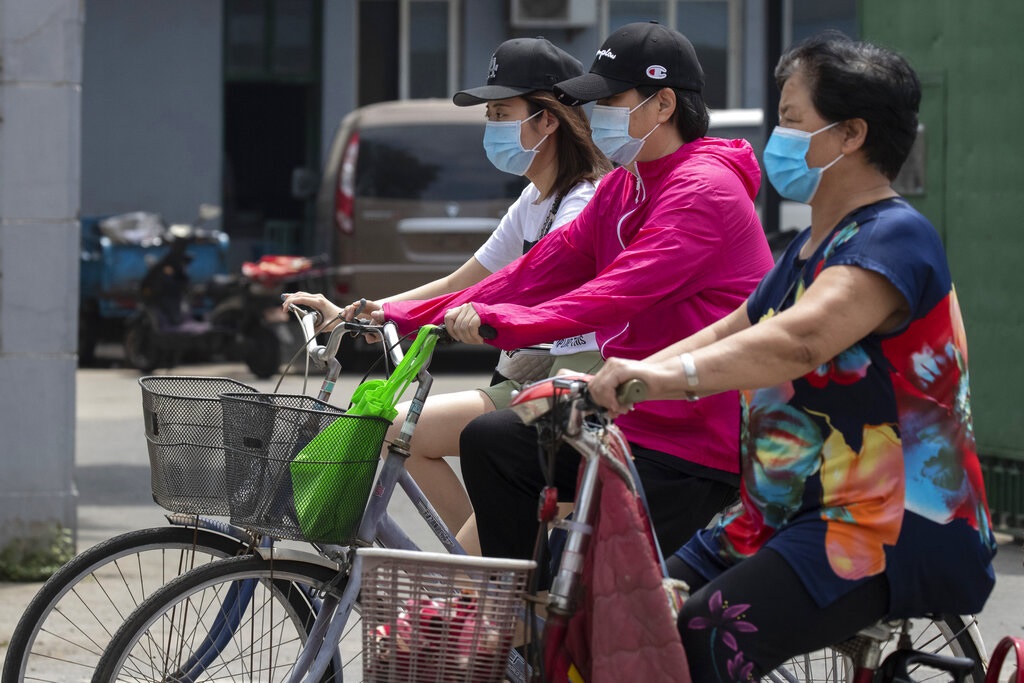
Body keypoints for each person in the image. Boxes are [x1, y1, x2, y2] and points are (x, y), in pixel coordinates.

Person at [587, 31, 997, 681]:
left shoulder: (895, 239)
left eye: (790, 118)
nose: (776, 136)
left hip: (882, 524)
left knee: (702, 637)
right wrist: (617, 379)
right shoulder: (808, 246)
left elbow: (799, 338)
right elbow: (733, 328)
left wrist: (659, 378)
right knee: (618, 616)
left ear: (850, 134)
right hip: (776, 514)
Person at [368, 21, 775, 577]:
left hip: (690, 434)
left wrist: (498, 322)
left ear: (663, 104)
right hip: (628, 414)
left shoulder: (702, 189)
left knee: (590, 595)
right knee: (494, 441)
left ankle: (521, 615)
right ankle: (513, 610)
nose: (599, 112)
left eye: (611, 99)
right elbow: (534, 271)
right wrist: (398, 315)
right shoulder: (627, 185)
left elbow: (611, 294)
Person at [284, 37, 610, 542]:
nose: (492, 125)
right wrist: (370, 312)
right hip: (526, 379)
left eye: (502, 112)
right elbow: (464, 280)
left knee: (463, 550)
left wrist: (426, 316)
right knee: (397, 432)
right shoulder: (533, 199)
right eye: (490, 114)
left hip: (570, 384)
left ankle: (488, 573)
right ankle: (493, 567)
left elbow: (523, 288)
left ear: (547, 120)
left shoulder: (583, 200)